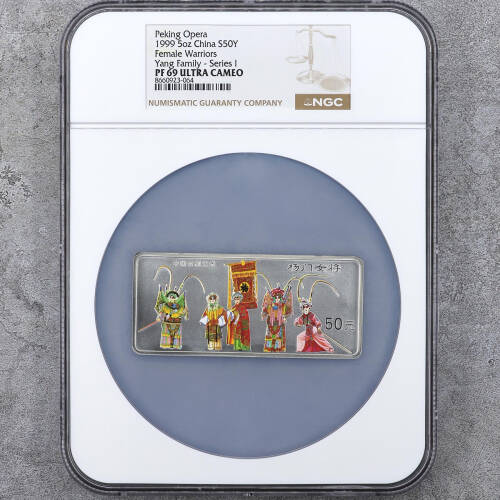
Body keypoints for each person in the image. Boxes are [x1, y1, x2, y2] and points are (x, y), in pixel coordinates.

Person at [261, 286, 292, 352]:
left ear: (281, 298)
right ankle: (269, 348)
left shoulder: (282, 306)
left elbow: (285, 313)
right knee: (269, 335)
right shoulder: (270, 305)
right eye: (276, 297)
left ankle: (277, 348)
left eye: (279, 298)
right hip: (271, 322)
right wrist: (264, 314)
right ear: (273, 298)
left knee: (278, 336)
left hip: (279, 323)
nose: (277, 299)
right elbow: (265, 310)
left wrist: (284, 318)